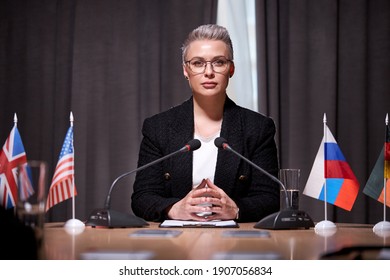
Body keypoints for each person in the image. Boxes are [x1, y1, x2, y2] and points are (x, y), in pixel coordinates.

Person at [131, 24, 279, 222]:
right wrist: (174, 209)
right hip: (175, 243)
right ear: (186, 70)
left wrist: (235, 210)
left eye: (218, 62)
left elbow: (270, 199)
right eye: (198, 63)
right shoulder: (158, 127)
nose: (208, 72)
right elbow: (142, 197)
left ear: (231, 69)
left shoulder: (258, 128)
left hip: (236, 243)